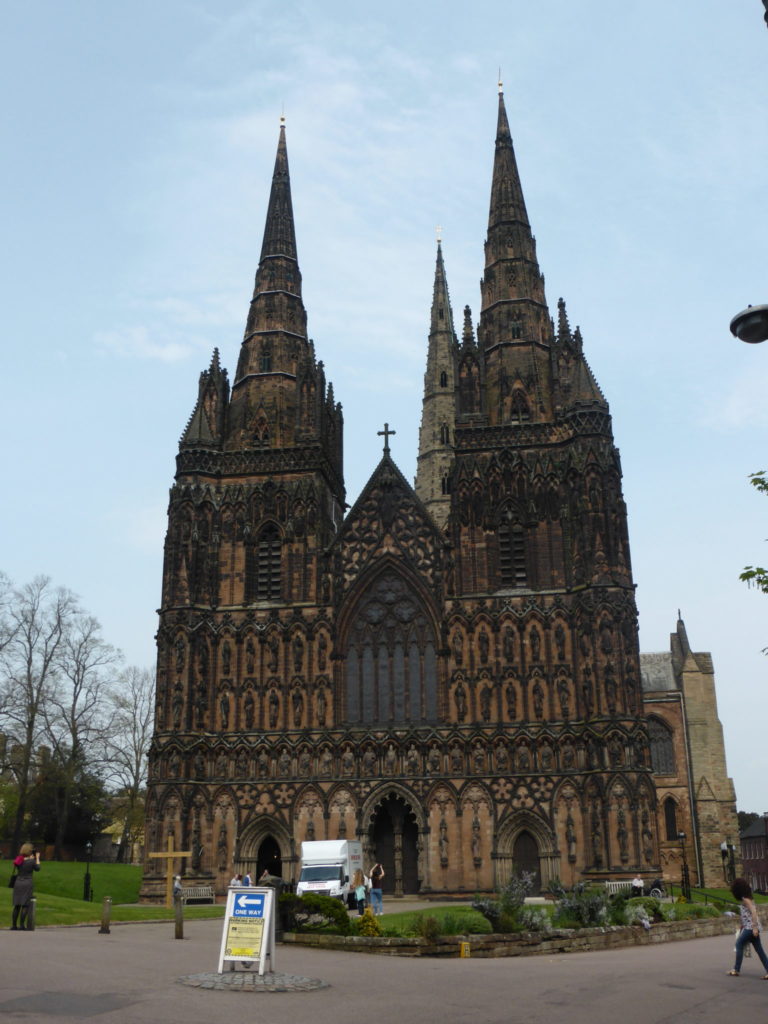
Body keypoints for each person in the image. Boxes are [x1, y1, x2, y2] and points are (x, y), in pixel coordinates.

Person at [728, 877, 768, 977]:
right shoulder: (747, 898)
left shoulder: (746, 900)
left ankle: (736, 969)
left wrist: (754, 928)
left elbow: (754, 912)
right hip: (751, 927)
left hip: (751, 928)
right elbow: (748, 915)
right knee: (759, 950)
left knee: (739, 944)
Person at [11, 843, 40, 931]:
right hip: (27, 882)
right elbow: (38, 868)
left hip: (18, 882)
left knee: (17, 904)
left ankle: (14, 925)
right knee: (25, 904)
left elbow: (17, 865)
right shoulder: (31, 861)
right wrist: (37, 858)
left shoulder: (19, 860)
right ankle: (22, 925)